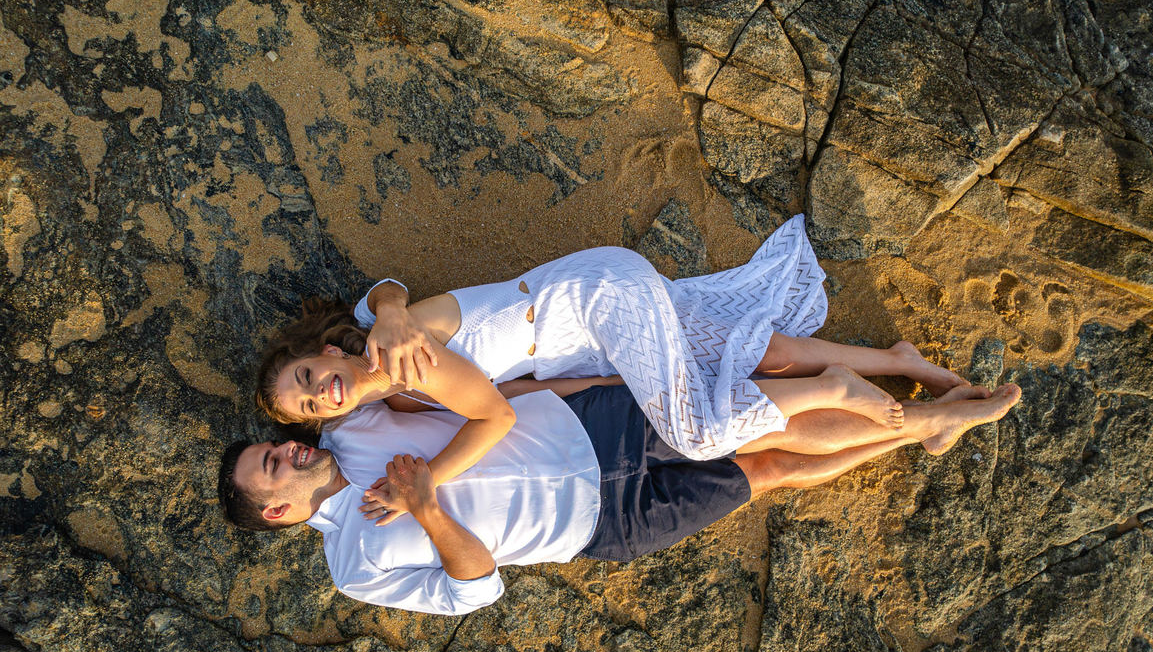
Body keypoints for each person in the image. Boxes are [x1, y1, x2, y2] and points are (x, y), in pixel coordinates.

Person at [255, 216, 966, 499]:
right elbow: (532, 381)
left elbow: (497, 414)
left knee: (700, 430)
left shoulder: (394, 352)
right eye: (311, 404)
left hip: (593, 299)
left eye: (307, 377)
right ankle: (891, 357)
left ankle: (838, 387)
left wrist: (432, 480)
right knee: (755, 347)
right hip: (591, 329)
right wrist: (607, 379)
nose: (320, 391)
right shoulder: (384, 356)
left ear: (322, 353)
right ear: (330, 418)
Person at [219, 381, 1022, 616]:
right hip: (601, 524)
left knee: (751, 422)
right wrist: (428, 506)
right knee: (765, 471)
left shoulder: (353, 426)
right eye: (274, 464)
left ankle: (925, 414)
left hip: (588, 428)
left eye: (274, 443)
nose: (288, 448)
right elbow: (477, 590)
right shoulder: (353, 566)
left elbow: (389, 357)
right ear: (279, 511)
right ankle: (912, 432)